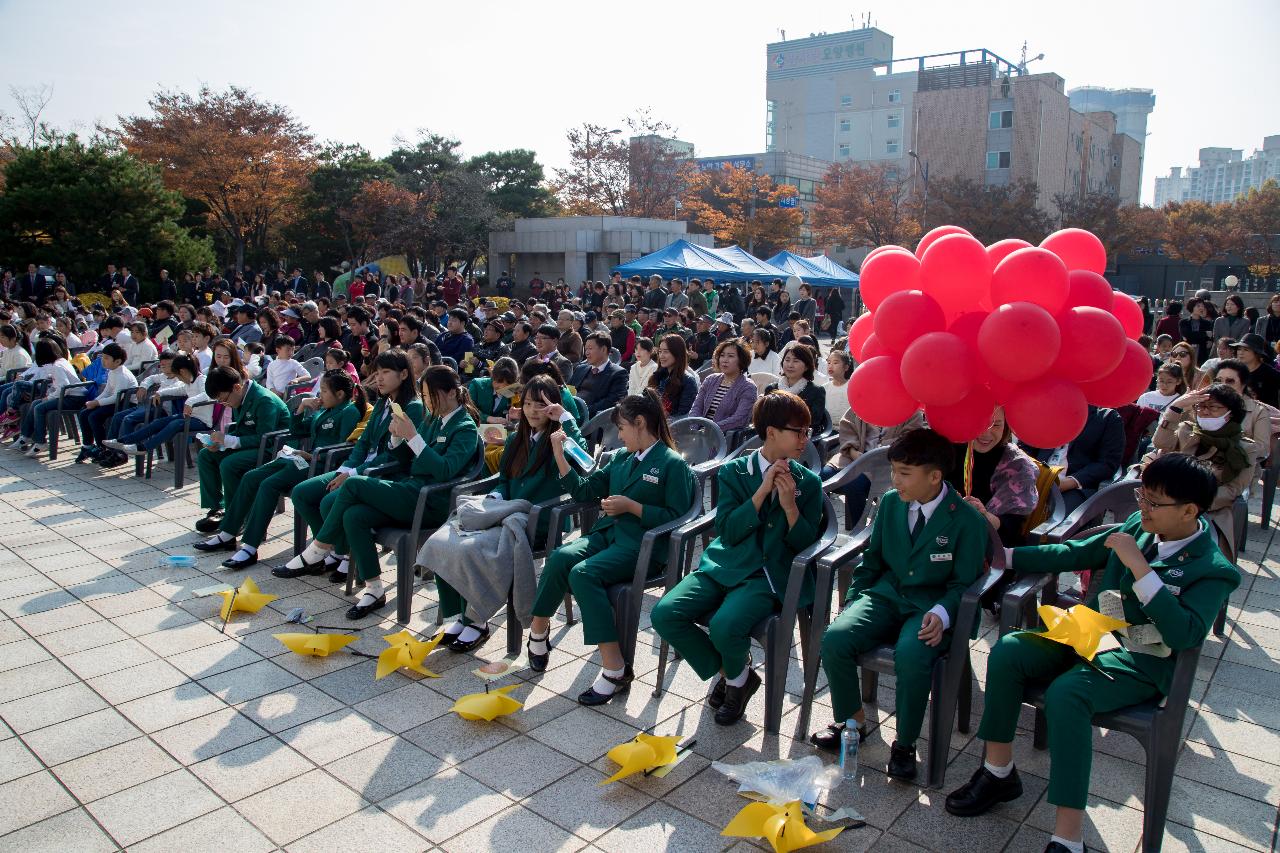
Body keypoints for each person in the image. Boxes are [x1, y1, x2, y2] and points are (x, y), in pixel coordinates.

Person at [945, 453, 1239, 853]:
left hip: (1143, 660)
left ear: (1190, 510)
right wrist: (1004, 557)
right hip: (1092, 634)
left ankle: (1068, 836)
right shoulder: (1139, 526)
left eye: (1154, 502)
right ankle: (999, 772)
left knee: (1069, 694)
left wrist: (1142, 570)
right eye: (1143, 495)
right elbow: (1074, 553)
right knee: (1008, 650)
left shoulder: (1213, 568)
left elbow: (1185, 634)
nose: (1143, 508)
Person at [811, 428, 986, 781]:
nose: (895, 481)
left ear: (935, 476)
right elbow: (872, 562)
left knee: (912, 654)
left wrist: (943, 613)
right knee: (836, 638)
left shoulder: (966, 520)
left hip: (930, 605)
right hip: (886, 595)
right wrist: (853, 600)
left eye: (904, 474)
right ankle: (852, 722)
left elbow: (965, 583)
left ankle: (904, 744)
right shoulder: (891, 503)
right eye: (893, 471)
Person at [650, 391, 824, 724]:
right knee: (665, 614)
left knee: (725, 625)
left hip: (767, 575)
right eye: (798, 431)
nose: (805, 439)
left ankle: (733, 680)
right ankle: (738, 677)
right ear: (771, 432)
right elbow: (728, 531)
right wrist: (761, 493)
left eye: (808, 432)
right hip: (724, 563)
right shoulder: (735, 472)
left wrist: (789, 508)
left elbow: (806, 546)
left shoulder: (808, 483)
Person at [524, 391, 696, 704]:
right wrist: (560, 455)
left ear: (640, 423)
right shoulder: (621, 458)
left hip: (643, 547)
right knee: (562, 557)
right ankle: (538, 632)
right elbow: (584, 490)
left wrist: (634, 507)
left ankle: (615, 668)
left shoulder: (672, 465)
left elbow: (680, 516)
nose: (619, 434)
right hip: (609, 536)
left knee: (583, 574)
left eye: (623, 428)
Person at [284, 364, 480, 618]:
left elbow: (444, 470)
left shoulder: (464, 427)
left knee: (353, 484)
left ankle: (319, 548)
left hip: (431, 502)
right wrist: (397, 438)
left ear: (452, 393)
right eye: (426, 396)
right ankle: (374, 588)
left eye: (432, 396)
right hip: (411, 490)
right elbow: (406, 458)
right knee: (354, 515)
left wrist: (413, 438)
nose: (428, 402)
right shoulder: (434, 420)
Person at [431, 375, 588, 651]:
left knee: (475, 548)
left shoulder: (558, 437)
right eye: (527, 403)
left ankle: (476, 620)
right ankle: (457, 615)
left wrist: (566, 418)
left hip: (537, 520)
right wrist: (493, 498)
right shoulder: (517, 437)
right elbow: (504, 479)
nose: (532, 410)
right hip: (505, 512)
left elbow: (584, 460)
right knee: (445, 538)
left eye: (541, 404)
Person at [197, 369, 366, 568]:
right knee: (252, 477)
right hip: (302, 459)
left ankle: (250, 547)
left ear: (340, 394)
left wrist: (310, 456)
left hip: (321, 466)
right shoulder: (323, 411)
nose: (320, 395)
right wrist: (301, 408)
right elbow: (297, 430)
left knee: (269, 484)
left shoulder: (349, 412)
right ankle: (227, 532)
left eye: (324, 391)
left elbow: (343, 450)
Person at [1144, 384, 1258, 559]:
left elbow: (1233, 489)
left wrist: (1193, 505)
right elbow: (1160, 443)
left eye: (1213, 407)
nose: (1204, 412)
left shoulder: (1245, 448)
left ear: (1230, 414)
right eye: (1201, 406)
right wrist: (1176, 407)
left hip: (1211, 507)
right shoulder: (1187, 431)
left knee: (1201, 549)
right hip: (1169, 500)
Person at [190, 365, 290, 532]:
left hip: (271, 450)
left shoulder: (264, 400)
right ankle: (217, 508)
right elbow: (242, 429)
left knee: (229, 464)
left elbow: (265, 437)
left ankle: (236, 516)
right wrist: (220, 442)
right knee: (206, 455)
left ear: (236, 387)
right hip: (252, 444)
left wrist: (229, 440)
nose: (224, 404)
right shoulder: (239, 397)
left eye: (224, 399)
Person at [947, 407, 1041, 547]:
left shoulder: (1018, 465)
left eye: (996, 425)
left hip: (993, 550)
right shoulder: (945, 451)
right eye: (979, 423)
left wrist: (984, 517)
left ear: (1006, 425)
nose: (986, 433)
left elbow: (1012, 527)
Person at [1021, 405, 1125, 513]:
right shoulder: (1046, 409)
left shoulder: (1107, 418)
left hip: (1074, 487)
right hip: (1036, 477)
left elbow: (1108, 463)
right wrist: (1031, 473)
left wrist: (1069, 482)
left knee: (1053, 520)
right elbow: (1024, 447)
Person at [74, 343, 137, 464]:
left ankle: (103, 448)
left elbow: (116, 397)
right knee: (84, 413)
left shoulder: (122, 374)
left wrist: (97, 403)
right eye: (103, 357)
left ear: (117, 361)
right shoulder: (112, 371)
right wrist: (94, 401)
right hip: (116, 402)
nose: (103, 360)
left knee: (94, 416)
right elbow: (108, 391)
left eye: (107, 358)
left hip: (126, 404)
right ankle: (87, 446)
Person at [689, 339, 758, 432]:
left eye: (730, 356)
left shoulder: (748, 387)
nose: (725, 360)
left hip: (724, 439)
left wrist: (709, 430)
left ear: (742, 360)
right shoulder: (710, 380)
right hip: (698, 434)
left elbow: (739, 419)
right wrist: (694, 428)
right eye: (722, 355)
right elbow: (696, 407)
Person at [764, 341, 828, 434]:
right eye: (787, 360)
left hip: (800, 440)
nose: (790, 365)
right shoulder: (771, 389)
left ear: (806, 366)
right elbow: (764, 419)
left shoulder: (816, 391)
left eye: (796, 361)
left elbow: (813, 423)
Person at [568, 331, 628, 418]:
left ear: (603, 349)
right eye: (586, 349)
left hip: (592, 420)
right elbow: (568, 390)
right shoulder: (581, 368)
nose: (587, 353)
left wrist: (582, 411)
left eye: (590, 348)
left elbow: (611, 402)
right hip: (570, 414)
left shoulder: (618, 373)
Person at [648, 334, 699, 417]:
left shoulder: (688, 381)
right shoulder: (658, 376)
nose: (661, 356)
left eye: (666, 352)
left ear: (677, 353)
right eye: (660, 351)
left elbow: (684, 416)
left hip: (671, 427)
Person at [1231, 333, 1280, 407]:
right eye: (1239, 349)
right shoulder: (1234, 371)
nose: (1241, 353)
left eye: (1246, 350)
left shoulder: (1270, 373)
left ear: (1257, 353)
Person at [823, 349, 853, 423]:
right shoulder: (824, 388)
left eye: (835, 363)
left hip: (848, 429)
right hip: (828, 429)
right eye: (829, 362)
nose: (830, 366)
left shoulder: (852, 387)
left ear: (846, 367)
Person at [1179, 299, 1213, 364]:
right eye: (1198, 306)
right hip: (1186, 350)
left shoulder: (1207, 323)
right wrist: (1204, 333)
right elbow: (1187, 335)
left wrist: (1193, 336)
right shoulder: (1183, 322)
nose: (1201, 308)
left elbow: (1208, 339)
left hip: (1201, 352)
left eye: (1202, 306)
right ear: (1192, 307)